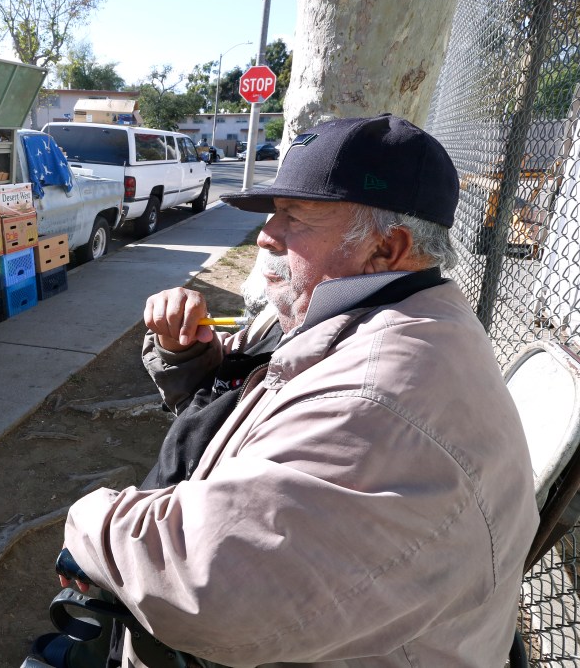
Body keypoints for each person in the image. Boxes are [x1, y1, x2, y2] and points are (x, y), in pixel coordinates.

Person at [56, 114, 539, 667]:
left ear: (386, 248)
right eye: (273, 213)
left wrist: (89, 518)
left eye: (295, 217)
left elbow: (206, 584)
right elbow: (265, 399)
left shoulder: (374, 399)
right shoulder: (385, 307)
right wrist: (189, 356)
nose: (266, 235)